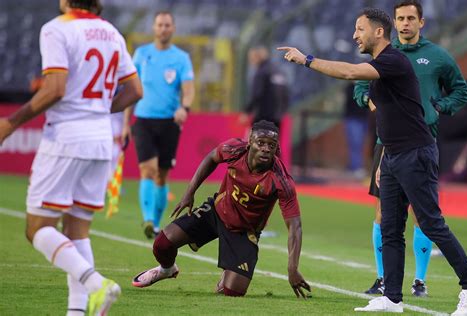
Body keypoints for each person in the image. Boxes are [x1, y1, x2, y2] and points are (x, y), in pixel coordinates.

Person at [278, 7, 467, 314]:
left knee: (432, 224)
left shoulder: (393, 60)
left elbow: (349, 72)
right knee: (391, 229)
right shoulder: (383, 62)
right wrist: (384, 159)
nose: (355, 35)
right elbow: (383, 112)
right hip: (393, 154)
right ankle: (392, 298)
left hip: (416, 153)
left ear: (379, 32)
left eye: (359, 29)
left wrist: (307, 60)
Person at [0, 0, 143, 315]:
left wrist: (10, 123)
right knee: (77, 230)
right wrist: (97, 111)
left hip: (66, 138)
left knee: (37, 228)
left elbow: (55, 89)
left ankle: (96, 283)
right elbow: (135, 90)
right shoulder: (112, 33)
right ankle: (77, 313)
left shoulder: (57, 28)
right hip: (101, 140)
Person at [353, 0, 467, 297]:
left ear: (421, 22)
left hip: (421, 141)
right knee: (384, 214)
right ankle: (385, 284)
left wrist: (441, 106)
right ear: (392, 24)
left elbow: (461, 90)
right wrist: (366, 100)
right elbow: (359, 84)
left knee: (425, 216)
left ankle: (421, 280)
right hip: (386, 142)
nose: (405, 23)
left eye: (410, 18)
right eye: (400, 18)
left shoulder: (437, 56)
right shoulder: (384, 54)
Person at [131, 120, 311, 298]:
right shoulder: (234, 149)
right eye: (261, 143)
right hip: (216, 212)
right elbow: (211, 157)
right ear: (249, 142)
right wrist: (190, 192)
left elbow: (295, 226)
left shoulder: (281, 180)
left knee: (232, 292)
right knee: (162, 244)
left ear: (277, 149)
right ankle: (166, 270)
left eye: (271, 145)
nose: (266, 148)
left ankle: (227, 274)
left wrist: (292, 268)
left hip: (244, 231)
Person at [123, 11, 195, 239]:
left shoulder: (181, 58)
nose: (163, 29)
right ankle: (148, 220)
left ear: (172, 28)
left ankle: (154, 222)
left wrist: (184, 107)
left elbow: (189, 88)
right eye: (159, 25)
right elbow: (131, 91)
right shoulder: (142, 54)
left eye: (167, 25)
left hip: (169, 123)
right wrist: (126, 122)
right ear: (154, 28)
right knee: (148, 170)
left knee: (162, 176)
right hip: (143, 120)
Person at [241, 45, 289, 129]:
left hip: (263, 117)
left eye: (251, 58)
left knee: (256, 140)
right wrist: (281, 112)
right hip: (277, 118)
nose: (250, 61)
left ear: (256, 57)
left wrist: (247, 111)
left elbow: (257, 94)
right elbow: (285, 94)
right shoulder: (277, 71)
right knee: (273, 141)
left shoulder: (261, 72)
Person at [344, 81, 369, 179]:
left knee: (360, 144)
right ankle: (356, 167)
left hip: (363, 119)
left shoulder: (365, 86)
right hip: (353, 119)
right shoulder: (350, 88)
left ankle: (356, 166)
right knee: (355, 143)